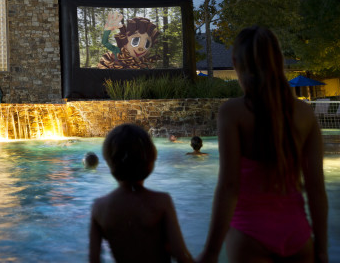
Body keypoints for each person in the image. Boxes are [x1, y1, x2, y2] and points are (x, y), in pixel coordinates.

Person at [196, 27, 327, 263]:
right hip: (298, 235)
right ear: (278, 61)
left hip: (249, 235)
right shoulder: (305, 114)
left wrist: (211, 251)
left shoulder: (233, 113)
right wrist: (322, 250)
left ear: (236, 62)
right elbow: (316, 188)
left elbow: (229, 186)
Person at [90, 123, 192, 263]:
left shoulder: (99, 207)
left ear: (109, 162)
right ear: (151, 160)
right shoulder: (161, 202)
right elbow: (181, 255)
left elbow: (93, 259)